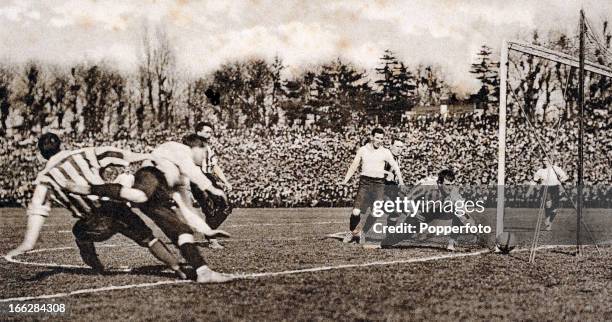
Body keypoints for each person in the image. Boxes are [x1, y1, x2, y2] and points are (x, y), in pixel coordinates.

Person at [6, 133, 186, 278]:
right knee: (149, 239)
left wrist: (28, 243)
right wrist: (147, 155)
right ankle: (177, 267)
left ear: (41, 154)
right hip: (117, 207)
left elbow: (38, 210)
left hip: (95, 220)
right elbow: (118, 155)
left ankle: (99, 269)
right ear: (60, 145)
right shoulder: (83, 154)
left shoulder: (45, 178)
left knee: (79, 233)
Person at [66, 135, 234, 283]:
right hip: (150, 175)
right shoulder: (179, 149)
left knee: (182, 231)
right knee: (139, 195)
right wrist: (212, 188)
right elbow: (192, 170)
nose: (205, 158)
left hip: (158, 197)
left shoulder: (182, 175)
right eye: (205, 153)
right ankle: (89, 189)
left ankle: (202, 271)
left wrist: (207, 230)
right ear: (197, 147)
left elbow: (187, 208)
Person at [340, 128, 404, 243]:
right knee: (357, 211)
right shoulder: (363, 150)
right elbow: (354, 165)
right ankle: (352, 232)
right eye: (377, 138)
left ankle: (364, 233)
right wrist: (345, 180)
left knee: (377, 212)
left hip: (379, 185)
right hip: (366, 183)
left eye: (381, 138)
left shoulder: (386, 152)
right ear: (372, 137)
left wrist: (401, 181)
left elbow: (395, 167)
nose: (379, 140)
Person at [192, 122, 233, 249]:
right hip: (197, 179)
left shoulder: (208, 147)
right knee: (209, 209)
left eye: (211, 132)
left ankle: (209, 231)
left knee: (226, 206)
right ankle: (211, 239)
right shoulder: (190, 146)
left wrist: (225, 181)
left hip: (209, 178)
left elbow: (214, 166)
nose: (210, 135)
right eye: (207, 132)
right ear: (198, 132)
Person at [531, 156, 569, 231]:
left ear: (550, 161)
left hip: (555, 188)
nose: (544, 162)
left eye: (545, 160)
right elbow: (534, 180)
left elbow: (565, 177)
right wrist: (534, 185)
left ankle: (550, 222)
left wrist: (560, 180)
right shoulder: (540, 171)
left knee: (555, 209)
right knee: (548, 205)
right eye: (543, 160)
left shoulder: (556, 168)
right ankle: (547, 219)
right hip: (545, 188)